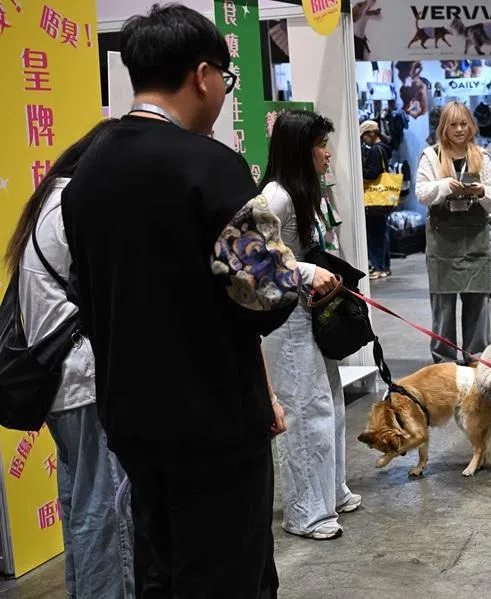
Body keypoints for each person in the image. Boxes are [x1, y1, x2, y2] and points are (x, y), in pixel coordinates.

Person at [61, 5, 294, 596]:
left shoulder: (87, 171)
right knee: (229, 575)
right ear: (203, 75)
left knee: (159, 573)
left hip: (130, 418)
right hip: (214, 419)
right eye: (225, 77)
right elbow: (268, 293)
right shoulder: (210, 166)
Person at [6, 119, 134, 599]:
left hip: (65, 382)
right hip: (88, 379)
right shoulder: (75, 204)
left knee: (84, 509)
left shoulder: (51, 199)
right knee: (108, 513)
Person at [260, 110, 360, 540]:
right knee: (303, 411)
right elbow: (253, 257)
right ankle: (305, 512)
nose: (327, 153)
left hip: (311, 314)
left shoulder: (305, 191)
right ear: (301, 149)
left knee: (329, 404)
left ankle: (330, 493)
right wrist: (304, 271)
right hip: (285, 319)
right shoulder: (275, 196)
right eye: (321, 144)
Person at [415, 101, 491, 364]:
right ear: (444, 127)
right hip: (443, 245)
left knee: (478, 307)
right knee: (444, 309)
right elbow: (422, 193)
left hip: (475, 242)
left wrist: (482, 191)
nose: (459, 129)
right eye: (453, 124)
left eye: (463, 123)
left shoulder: (481, 156)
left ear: (471, 125)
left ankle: (477, 360)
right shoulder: (431, 156)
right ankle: (445, 363)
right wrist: (444, 185)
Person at [361, 119, 393, 279]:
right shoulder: (384, 148)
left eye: (365, 135)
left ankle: (378, 266)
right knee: (382, 232)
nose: (364, 139)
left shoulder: (375, 150)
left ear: (371, 133)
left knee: (374, 233)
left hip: (375, 198)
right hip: (384, 198)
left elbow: (373, 172)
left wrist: (360, 171)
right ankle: (384, 266)